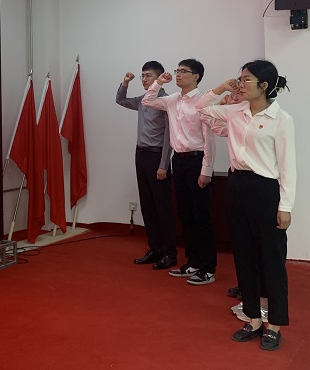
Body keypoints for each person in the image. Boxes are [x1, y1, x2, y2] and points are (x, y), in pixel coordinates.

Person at [197, 60, 294, 351]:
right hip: (237, 186)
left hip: (266, 190)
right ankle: (253, 319)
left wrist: (286, 206)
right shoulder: (235, 112)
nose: (241, 83)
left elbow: (288, 167)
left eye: (247, 79)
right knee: (243, 254)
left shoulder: (281, 119)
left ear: (264, 86)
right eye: (240, 78)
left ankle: (274, 325)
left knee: (271, 258)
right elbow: (200, 107)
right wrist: (220, 88)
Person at [142, 59, 217, 286]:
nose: (178, 74)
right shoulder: (172, 99)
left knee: (201, 217)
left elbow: (209, 139)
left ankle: (208, 268)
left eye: (184, 71)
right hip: (179, 161)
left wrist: (206, 170)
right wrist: (158, 83)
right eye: (177, 70)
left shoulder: (203, 101)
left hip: (197, 161)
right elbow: (147, 101)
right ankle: (192, 262)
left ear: (196, 76)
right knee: (185, 215)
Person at [116, 61, 176, 270]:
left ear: (159, 77)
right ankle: (155, 249)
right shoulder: (142, 100)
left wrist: (164, 165)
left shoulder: (166, 101)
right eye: (142, 76)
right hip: (140, 154)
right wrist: (125, 82)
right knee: (147, 205)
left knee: (162, 207)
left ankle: (169, 253)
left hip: (156, 156)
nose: (143, 79)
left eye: (148, 75)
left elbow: (169, 136)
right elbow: (120, 100)